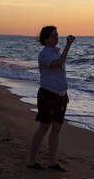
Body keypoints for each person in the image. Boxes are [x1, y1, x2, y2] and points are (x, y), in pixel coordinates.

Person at [27, 26, 75, 171]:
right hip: (48, 94)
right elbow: (58, 64)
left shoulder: (56, 51)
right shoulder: (45, 54)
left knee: (57, 128)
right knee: (43, 127)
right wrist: (68, 46)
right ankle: (31, 161)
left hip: (61, 94)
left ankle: (52, 162)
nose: (57, 38)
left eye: (57, 35)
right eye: (53, 36)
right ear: (46, 38)